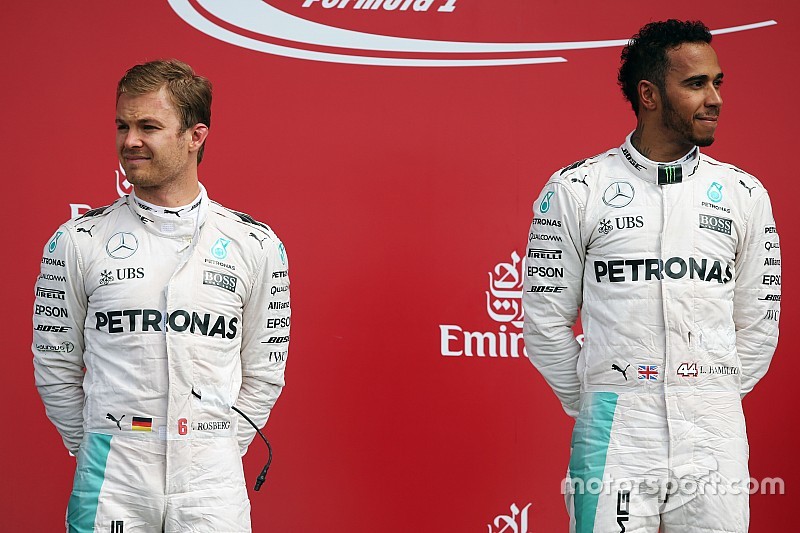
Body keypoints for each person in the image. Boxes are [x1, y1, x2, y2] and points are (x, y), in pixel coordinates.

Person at [522, 20, 780, 533]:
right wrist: (601, 398)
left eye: (718, 83)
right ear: (649, 94)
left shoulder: (745, 194)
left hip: (714, 434)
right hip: (614, 432)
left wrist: (707, 391)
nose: (715, 99)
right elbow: (544, 323)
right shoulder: (578, 189)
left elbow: (758, 327)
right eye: (695, 84)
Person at [32, 59, 291, 532]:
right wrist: (97, 440)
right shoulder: (78, 240)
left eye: (148, 126)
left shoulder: (255, 244)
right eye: (122, 125)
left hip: (212, 478)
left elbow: (265, 370)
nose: (129, 141)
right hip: (112, 471)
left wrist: (211, 444)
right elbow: (55, 365)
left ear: (196, 136)